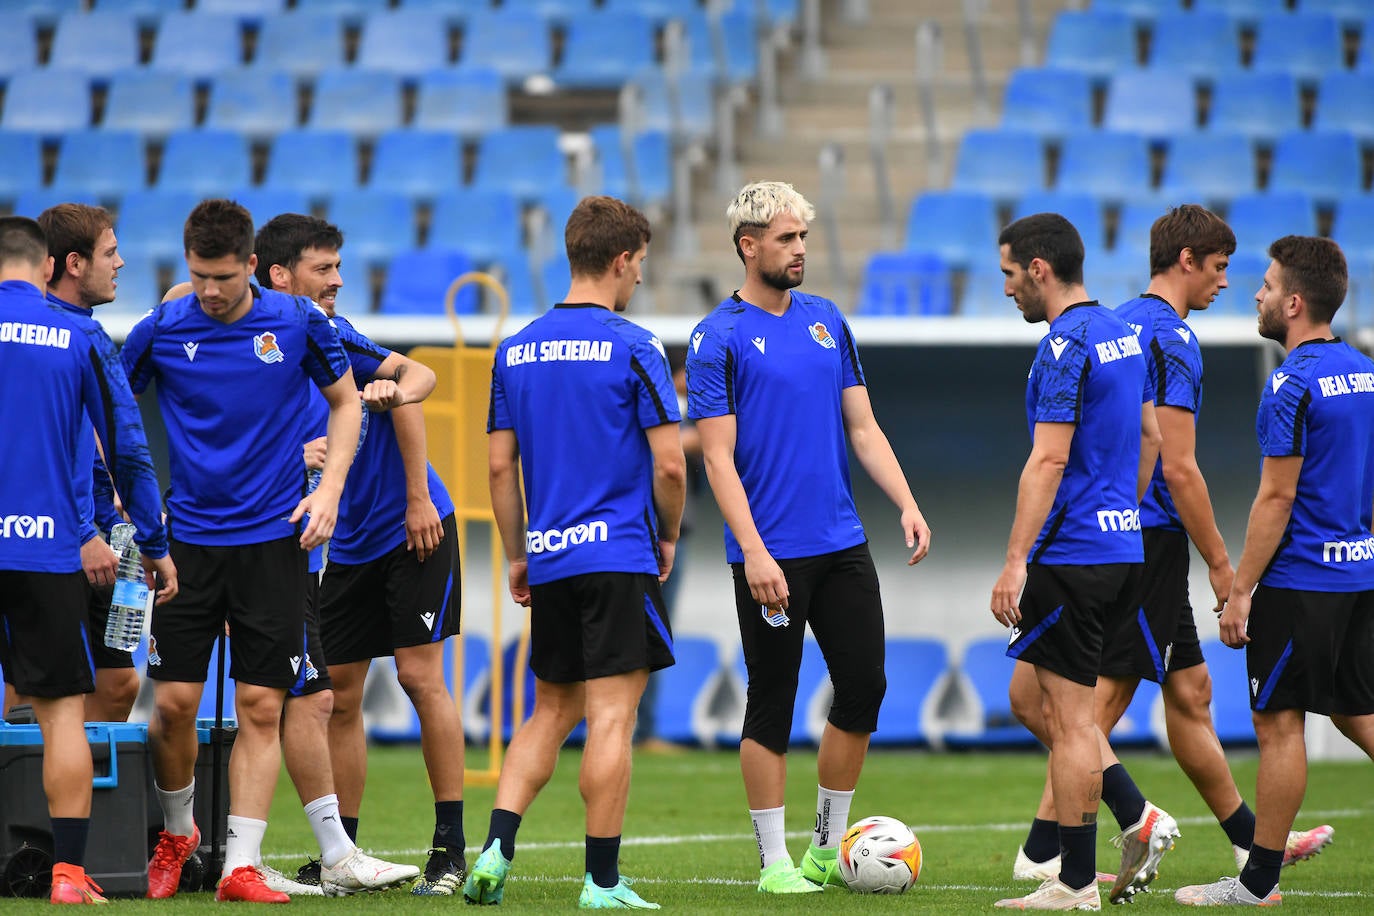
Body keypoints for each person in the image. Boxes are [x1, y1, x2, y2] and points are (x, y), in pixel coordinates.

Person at [1007, 206, 1332, 887]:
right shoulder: (1172, 340)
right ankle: (1065, 844)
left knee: (1190, 692)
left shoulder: (1116, 320)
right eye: (1218, 268)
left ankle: (1249, 843)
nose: (1226, 285)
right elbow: (1177, 465)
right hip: (1143, 544)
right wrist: (1222, 564)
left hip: (1109, 537)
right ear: (1186, 260)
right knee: (1083, 704)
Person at [685, 181, 931, 894]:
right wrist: (754, 551)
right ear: (748, 245)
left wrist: (906, 501)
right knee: (773, 699)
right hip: (771, 552)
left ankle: (826, 849)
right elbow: (717, 456)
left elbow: (863, 426)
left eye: (803, 238)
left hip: (841, 542)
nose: (800, 250)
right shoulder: (718, 337)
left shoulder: (827, 320)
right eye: (787, 239)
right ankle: (774, 863)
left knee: (864, 688)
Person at [121, 199, 365, 903]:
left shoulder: (295, 323)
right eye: (198, 275)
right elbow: (104, 408)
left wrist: (329, 492)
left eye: (223, 276)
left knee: (262, 703)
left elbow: (347, 404)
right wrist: (114, 498)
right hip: (187, 544)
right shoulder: (162, 328)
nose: (209, 290)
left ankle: (240, 865)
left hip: (273, 542)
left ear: (252, 266)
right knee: (172, 707)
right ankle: (177, 832)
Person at [464, 195, 685, 909]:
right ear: (621, 260)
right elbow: (671, 466)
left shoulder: (516, 348)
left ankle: (496, 846)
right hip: (619, 554)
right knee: (612, 716)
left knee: (548, 711)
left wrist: (518, 551)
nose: (640, 279)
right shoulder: (635, 345)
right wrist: (670, 533)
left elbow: (500, 468)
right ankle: (602, 880)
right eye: (641, 265)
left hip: (550, 554)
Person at [253, 213, 465, 897]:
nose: (339, 280)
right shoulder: (246, 338)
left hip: (412, 527)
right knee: (336, 695)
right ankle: (342, 850)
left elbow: (416, 382)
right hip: (342, 543)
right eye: (324, 268)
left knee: (418, 678)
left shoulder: (331, 332)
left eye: (339, 266)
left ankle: (449, 848)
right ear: (279, 274)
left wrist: (415, 499)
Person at [1176, 236, 1374, 906]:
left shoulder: (1289, 384)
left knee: (1279, 723)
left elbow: (1276, 497)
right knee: (1360, 713)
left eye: (1264, 285)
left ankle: (1256, 883)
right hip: (1357, 575)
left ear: (1293, 302)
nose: (1255, 294)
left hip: (1301, 582)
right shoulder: (1363, 370)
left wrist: (1240, 593)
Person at [989, 212, 1171, 910]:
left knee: (1069, 722)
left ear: (1039, 268)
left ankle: (1073, 885)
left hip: (1072, 554)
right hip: (1123, 546)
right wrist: (1120, 508)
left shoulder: (1064, 345)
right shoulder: (1127, 335)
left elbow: (1050, 456)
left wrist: (1015, 561)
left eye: (1009, 274)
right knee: (1038, 701)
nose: (1007, 289)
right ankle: (1136, 814)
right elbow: (1151, 436)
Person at [0, 215, 178, 905]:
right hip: (44, 551)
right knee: (60, 716)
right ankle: (68, 875)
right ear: (48, 266)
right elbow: (129, 449)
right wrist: (156, 548)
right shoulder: (76, 336)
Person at [35, 203, 138, 723]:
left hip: (93, 525)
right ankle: (30, 802)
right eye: (110, 252)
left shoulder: (83, 330)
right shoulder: (46, 337)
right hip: (52, 540)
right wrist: (81, 532)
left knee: (118, 682)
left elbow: (82, 434)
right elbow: (37, 450)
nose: (120, 264)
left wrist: (108, 503)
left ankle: (93, 801)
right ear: (74, 263)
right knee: (36, 690)